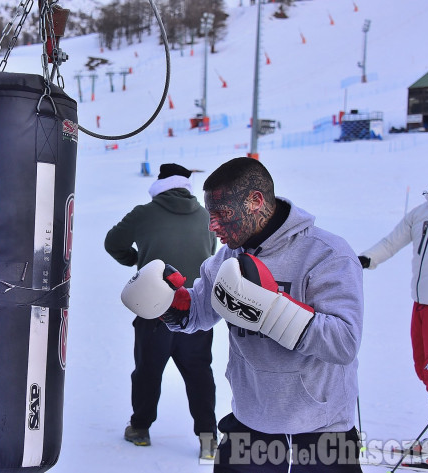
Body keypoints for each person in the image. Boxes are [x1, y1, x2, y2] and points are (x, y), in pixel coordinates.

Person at [121, 157, 364, 472]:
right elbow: (200, 312)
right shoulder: (229, 256)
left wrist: (269, 309)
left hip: (318, 431)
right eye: (210, 215)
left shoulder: (327, 254)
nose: (212, 225)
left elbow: (343, 343)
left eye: (222, 214)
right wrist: (172, 305)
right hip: (250, 422)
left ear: (256, 202)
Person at [358, 153, 428, 464]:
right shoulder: (421, 213)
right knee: (427, 372)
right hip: (422, 305)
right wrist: (366, 259)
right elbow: (391, 241)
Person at [104, 163, 219, 459]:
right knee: (199, 374)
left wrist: (137, 260)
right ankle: (208, 440)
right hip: (197, 311)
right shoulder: (206, 217)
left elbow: (112, 242)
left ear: (160, 186)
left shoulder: (144, 213)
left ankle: (140, 429)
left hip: (154, 310)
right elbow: (210, 254)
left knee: (148, 371)